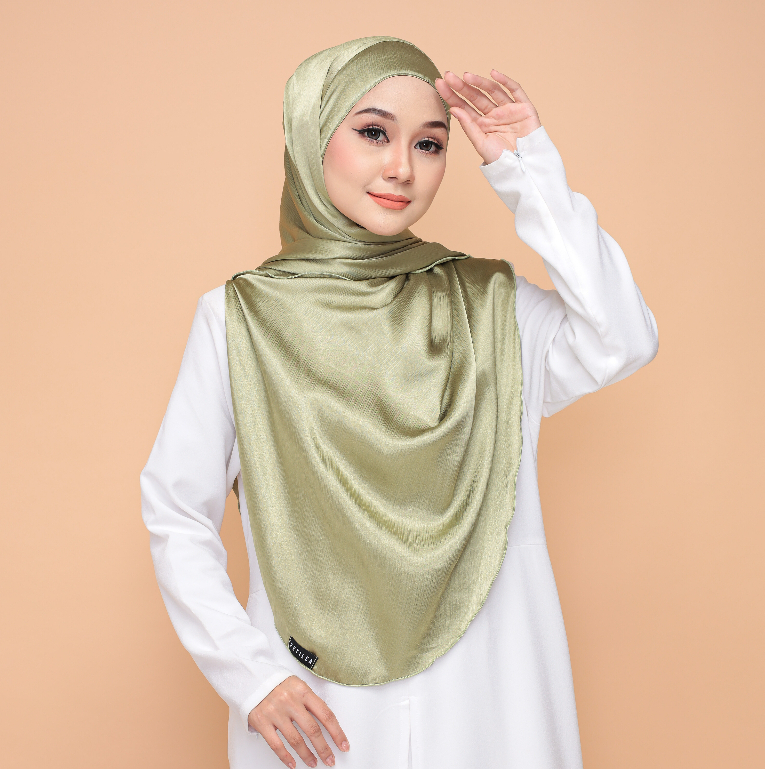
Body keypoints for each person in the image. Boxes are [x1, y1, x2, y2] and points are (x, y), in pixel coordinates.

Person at [141, 36, 658, 769]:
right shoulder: (238, 318)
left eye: (430, 144)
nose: (402, 169)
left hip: (490, 696)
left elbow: (622, 338)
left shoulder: (491, 306)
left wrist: (526, 169)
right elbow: (176, 511)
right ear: (312, 135)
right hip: (318, 703)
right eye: (373, 133)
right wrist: (249, 677)